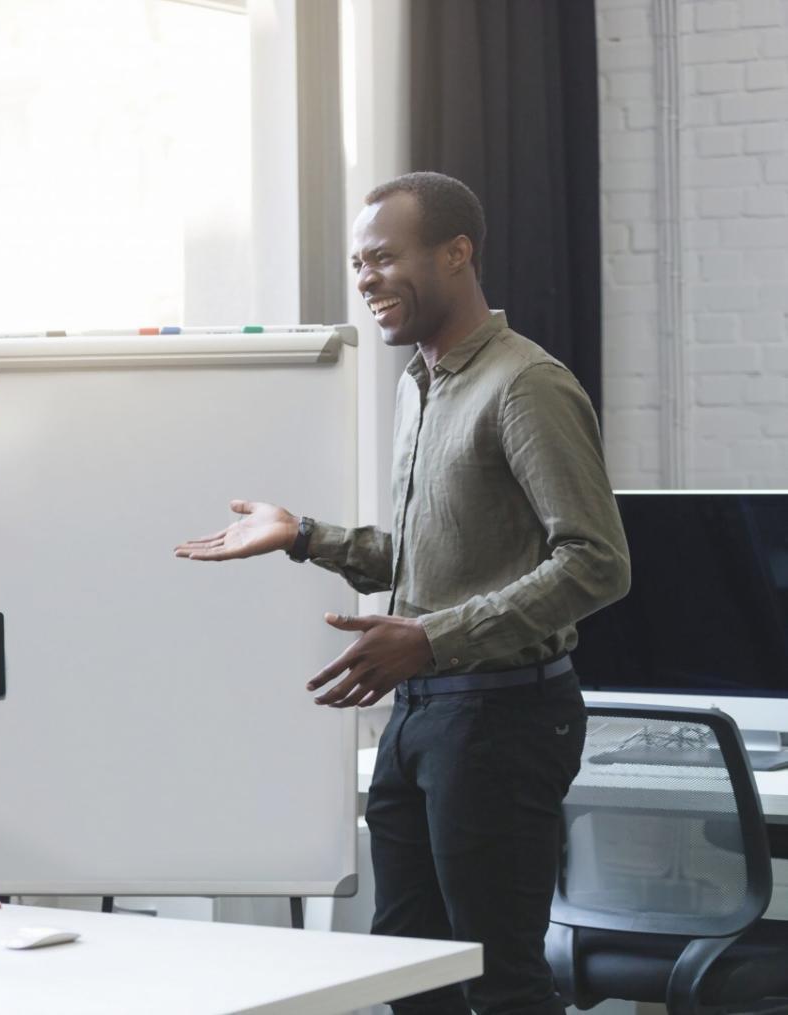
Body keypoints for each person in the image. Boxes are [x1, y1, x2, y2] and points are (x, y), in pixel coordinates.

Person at [176, 172, 630, 1014]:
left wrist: (427, 639)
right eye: (357, 264)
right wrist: (306, 535)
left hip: (501, 715)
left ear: (456, 254)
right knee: (407, 971)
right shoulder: (418, 386)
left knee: (500, 985)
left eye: (383, 258)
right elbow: (434, 556)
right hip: (419, 713)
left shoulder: (524, 385)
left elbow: (596, 561)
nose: (365, 279)